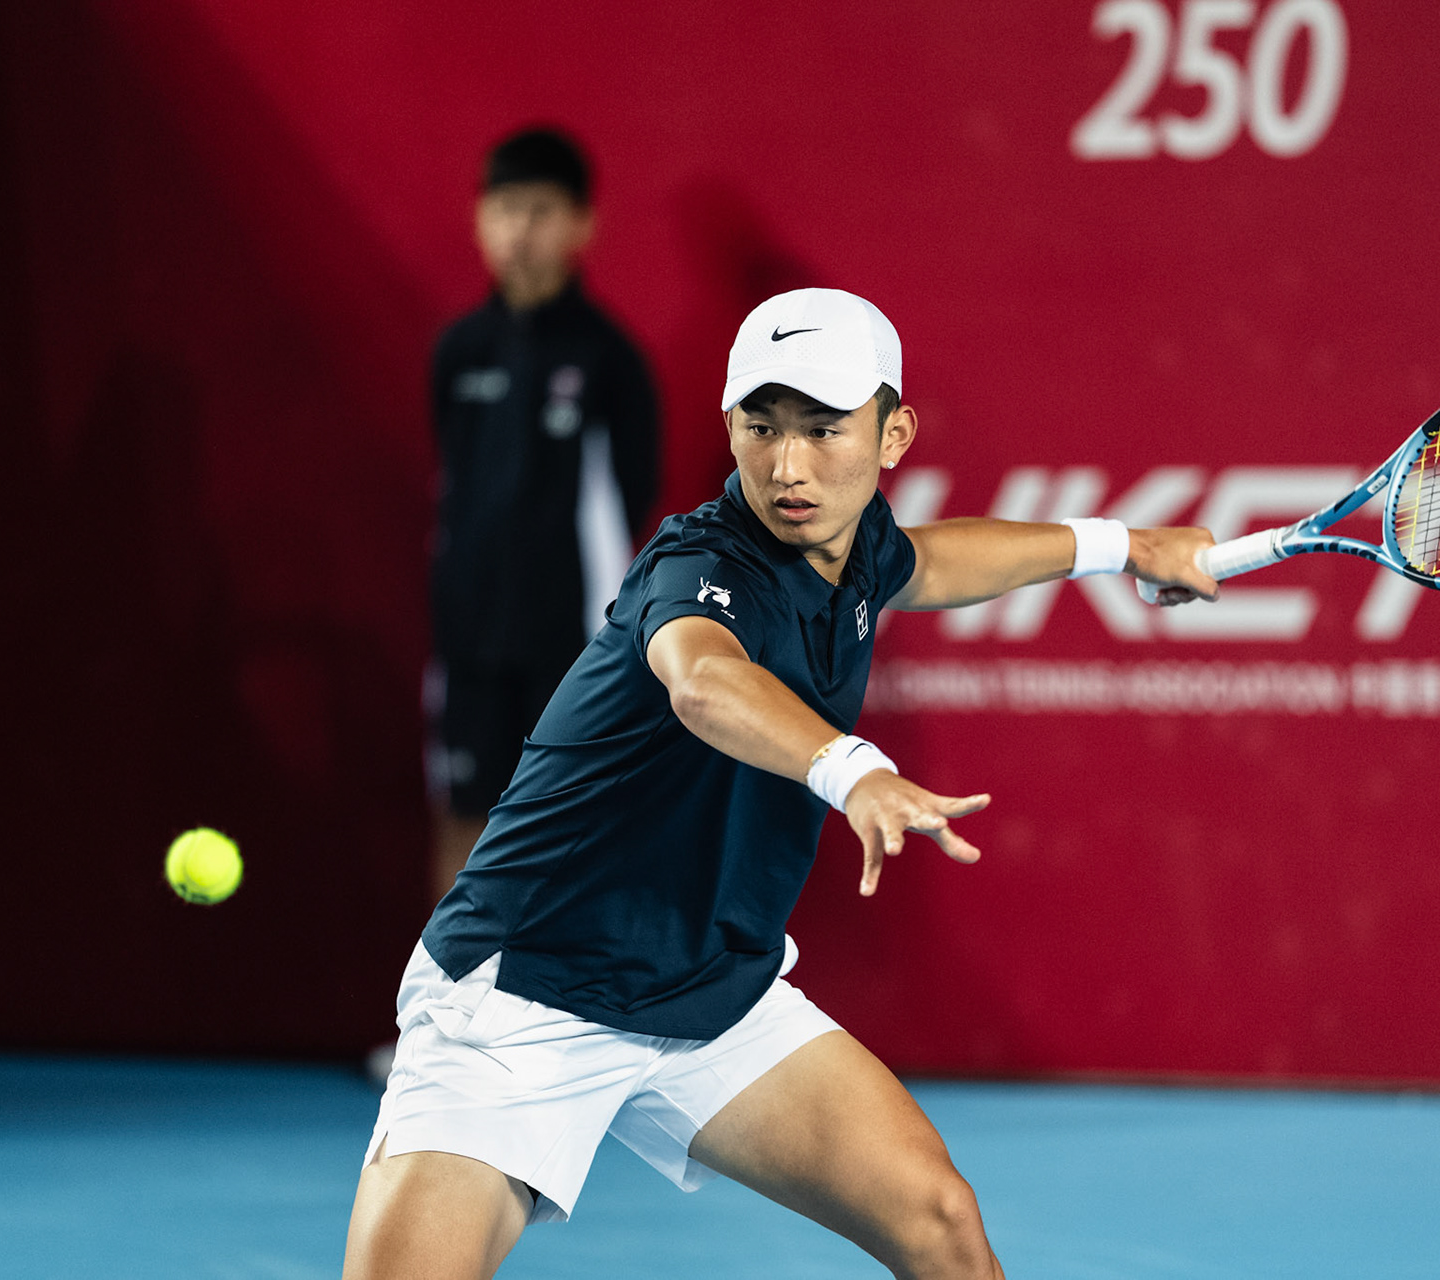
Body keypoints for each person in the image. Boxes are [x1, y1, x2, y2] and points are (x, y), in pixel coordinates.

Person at [346, 288, 1218, 1279]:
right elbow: (707, 683)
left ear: (894, 435)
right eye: (762, 427)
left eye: (823, 428)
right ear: (730, 428)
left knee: (937, 1215)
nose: (789, 464)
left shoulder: (859, 547)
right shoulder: (697, 566)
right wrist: (853, 770)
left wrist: (1123, 545)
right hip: (527, 992)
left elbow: (926, 562)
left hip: (707, 982)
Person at [425, 126, 659, 900]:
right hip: (468, 648)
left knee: (579, 831)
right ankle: (447, 1022)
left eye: (540, 210)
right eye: (503, 210)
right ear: (477, 221)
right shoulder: (458, 354)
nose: (519, 231)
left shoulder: (612, 362)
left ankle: (576, 1019)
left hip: (573, 650)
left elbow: (628, 510)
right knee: (464, 822)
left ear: (581, 226)